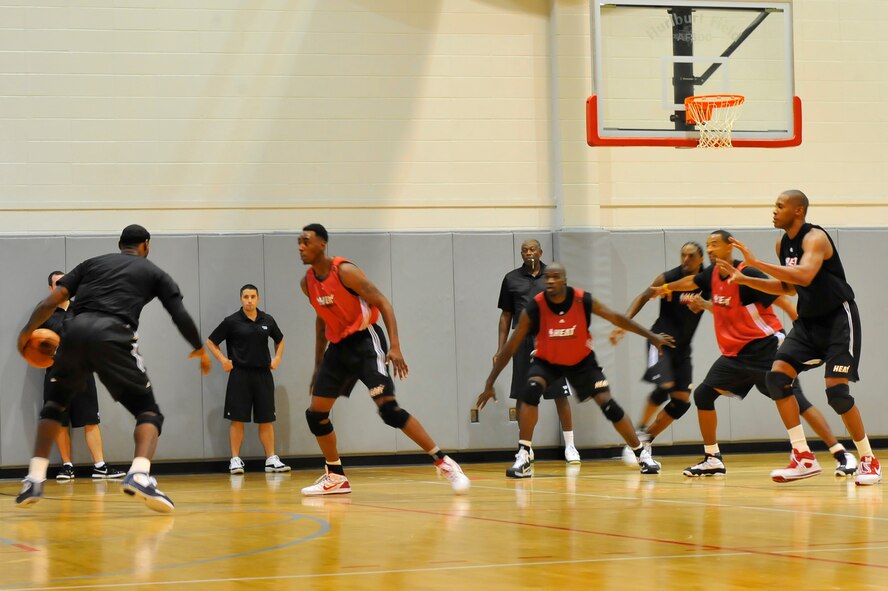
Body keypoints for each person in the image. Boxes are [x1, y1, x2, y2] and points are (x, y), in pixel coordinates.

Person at [15, 225, 211, 512]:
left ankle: (34, 477)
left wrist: (25, 333)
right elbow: (178, 314)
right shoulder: (153, 272)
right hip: (114, 335)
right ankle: (140, 474)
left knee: (54, 407)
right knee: (148, 412)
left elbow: (51, 301)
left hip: (74, 333)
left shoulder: (91, 264)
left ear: (120, 244)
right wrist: (198, 347)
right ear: (145, 245)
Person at [652, 230, 858, 478]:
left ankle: (841, 454)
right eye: (707, 245)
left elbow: (781, 296)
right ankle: (712, 459)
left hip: (765, 349)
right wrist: (664, 287)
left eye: (715, 244)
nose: (710, 249)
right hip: (735, 355)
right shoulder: (712, 275)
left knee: (797, 402)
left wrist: (798, 325)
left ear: (730, 247)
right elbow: (692, 283)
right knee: (704, 395)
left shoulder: (747, 273)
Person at [297, 223, 470, 495]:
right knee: (315, 415)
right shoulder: (307, 282)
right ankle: (336, 476)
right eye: (299, 242)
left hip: (366, 341)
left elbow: (383, 303)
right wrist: (318, 364)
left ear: (322, 244)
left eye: (306, 241)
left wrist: (396, 346)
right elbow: (322, 319)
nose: (301, 246)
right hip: (338, 348)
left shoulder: (345, 271)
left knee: (389, 410)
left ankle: (444, 462)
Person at [725, 190, 880, 485]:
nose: (774, 210)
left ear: (798, 211)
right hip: (808, 323)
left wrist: (755, 262)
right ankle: (803, 456)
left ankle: (868, 459)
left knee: (837, 394)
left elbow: (805, 276)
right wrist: (747, 279)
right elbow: (788, 288)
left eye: (780, 206)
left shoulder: (815, 238)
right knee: (777, 378)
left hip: (838, 319)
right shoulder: (782, 243)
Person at [476, 262, 675, 478]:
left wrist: (652, 337)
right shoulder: (536, 306)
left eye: (555, 277)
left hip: (581, 361)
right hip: (547, 361)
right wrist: (490, 383)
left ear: (564, 280)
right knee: (530, 391)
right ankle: (524, 455)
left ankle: (641, 455)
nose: (550, 281)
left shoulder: (582, 299)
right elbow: (511, 345)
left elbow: (616, 318)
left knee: (609, 405)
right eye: (547, 277)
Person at [609, 242, 705, 465]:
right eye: (683, 255)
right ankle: (639, 432)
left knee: (681, 402)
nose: (685, 260)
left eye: (691, 256)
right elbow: (643, 296)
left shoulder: (707, 281)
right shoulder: (668, 278)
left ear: (701, 259)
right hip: (660, 341)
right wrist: (623, 325)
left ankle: (647, 440)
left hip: (683, 348)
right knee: (665, 386)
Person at [495, 239, 579, 463]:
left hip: (551, 339)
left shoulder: (551, 278)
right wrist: (501, 348)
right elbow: (505, 316)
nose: (528, 253)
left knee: (560, 393)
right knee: (523, 395)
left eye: (532, 249)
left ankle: (570, 446)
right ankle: (526, 448)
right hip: (522, 340)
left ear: (540, 252)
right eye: (524, 250)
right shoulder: (511, 279)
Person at [41, 271, 126, 481]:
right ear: (51, 288)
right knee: (60, 423)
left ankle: (99, 466)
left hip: (83, 374)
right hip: (57, 376)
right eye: (58, 283)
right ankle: (67, 466)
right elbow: (35, 347)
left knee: (90, 420)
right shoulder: (44, 314)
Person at [206, 284, 290, 474]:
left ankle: (270, 459)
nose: (249, 300)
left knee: (266, 419)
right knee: (237, 419)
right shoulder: (231, 321)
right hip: (239, 375)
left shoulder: (267, 320)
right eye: (246, 297)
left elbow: (280, 339)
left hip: (263, 375)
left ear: (258, 298)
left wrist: (277, 358)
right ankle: (235, 460)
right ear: (241, 299)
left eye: (253, 296)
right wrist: (223, 361)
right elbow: (211, 342)